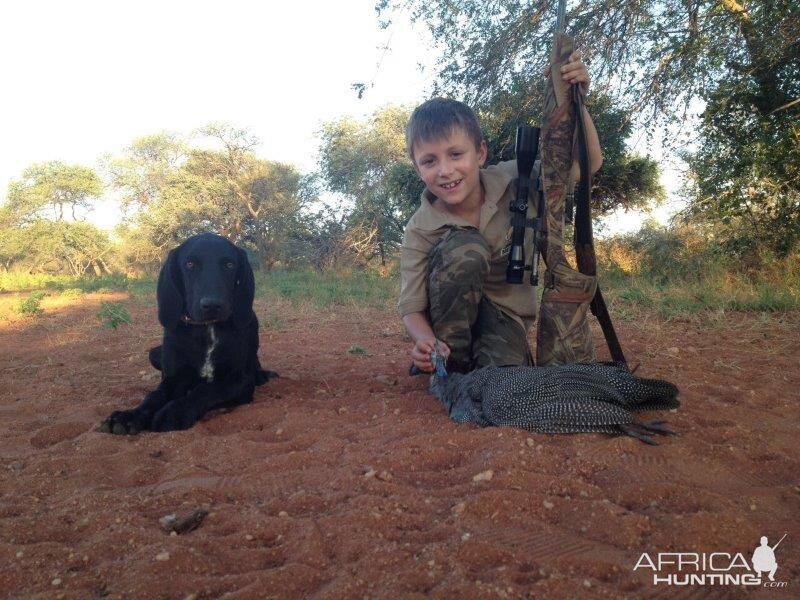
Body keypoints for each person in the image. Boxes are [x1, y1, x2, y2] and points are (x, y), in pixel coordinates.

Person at [398, 52, 603, 374]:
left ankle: (485, 362)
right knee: (467, 249)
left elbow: (587, 165)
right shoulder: (419, 227)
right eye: (429, 161)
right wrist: (425, 342)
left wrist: (578, 101)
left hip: (506, 317)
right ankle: (451, 363)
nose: (445, 170)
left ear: (480, 153)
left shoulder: (516, 178)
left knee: (509, 379)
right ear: (417, 167)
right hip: (447, 329)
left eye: (455, 154)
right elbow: (411, 307)